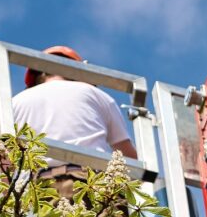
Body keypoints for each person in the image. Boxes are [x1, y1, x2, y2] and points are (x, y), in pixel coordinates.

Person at [11, 45, 138, 202]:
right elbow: (128, 159)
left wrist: (5, 208)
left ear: (38, 74)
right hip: (95, 184)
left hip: (37, 189)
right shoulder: (96, 94)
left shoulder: (16, 102)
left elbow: (3, 160)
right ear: (78, 71)